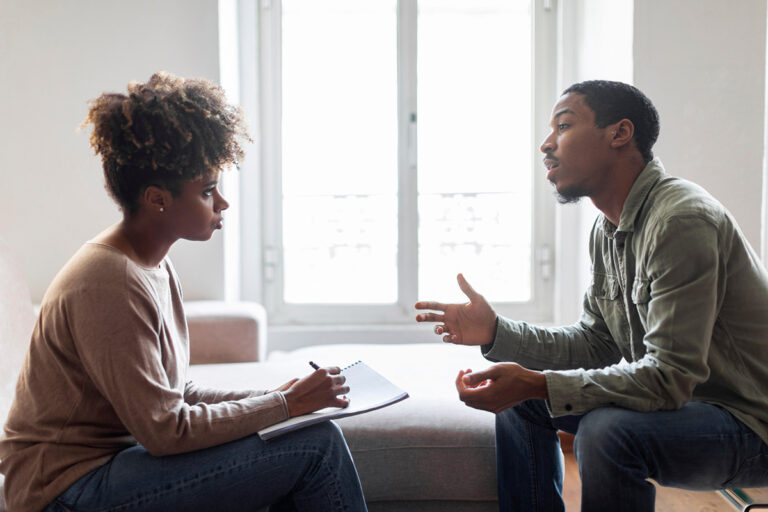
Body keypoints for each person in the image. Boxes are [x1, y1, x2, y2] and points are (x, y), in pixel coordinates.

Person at [0, 72, 367, 512]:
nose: (222, 203)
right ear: (158, 200)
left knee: (298, 435)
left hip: (111, 465)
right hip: (64, 490)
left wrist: (277, 399)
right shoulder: (107, 281)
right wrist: (284, 405)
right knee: (316, 446)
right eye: (208, 191)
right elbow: (166, 430)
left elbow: (177, 393)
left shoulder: (151, 262)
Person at [415, 80, 768, 511]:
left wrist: (541, 383)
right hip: (687, 411)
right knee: (521, 400)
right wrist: (497, 333)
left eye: (563, 126)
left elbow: (669, 377)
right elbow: (596, 342)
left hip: (750, 424)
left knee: (607, 430)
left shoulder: (682, 220)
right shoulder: (608, 230)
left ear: (619, 134)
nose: (546, 145)